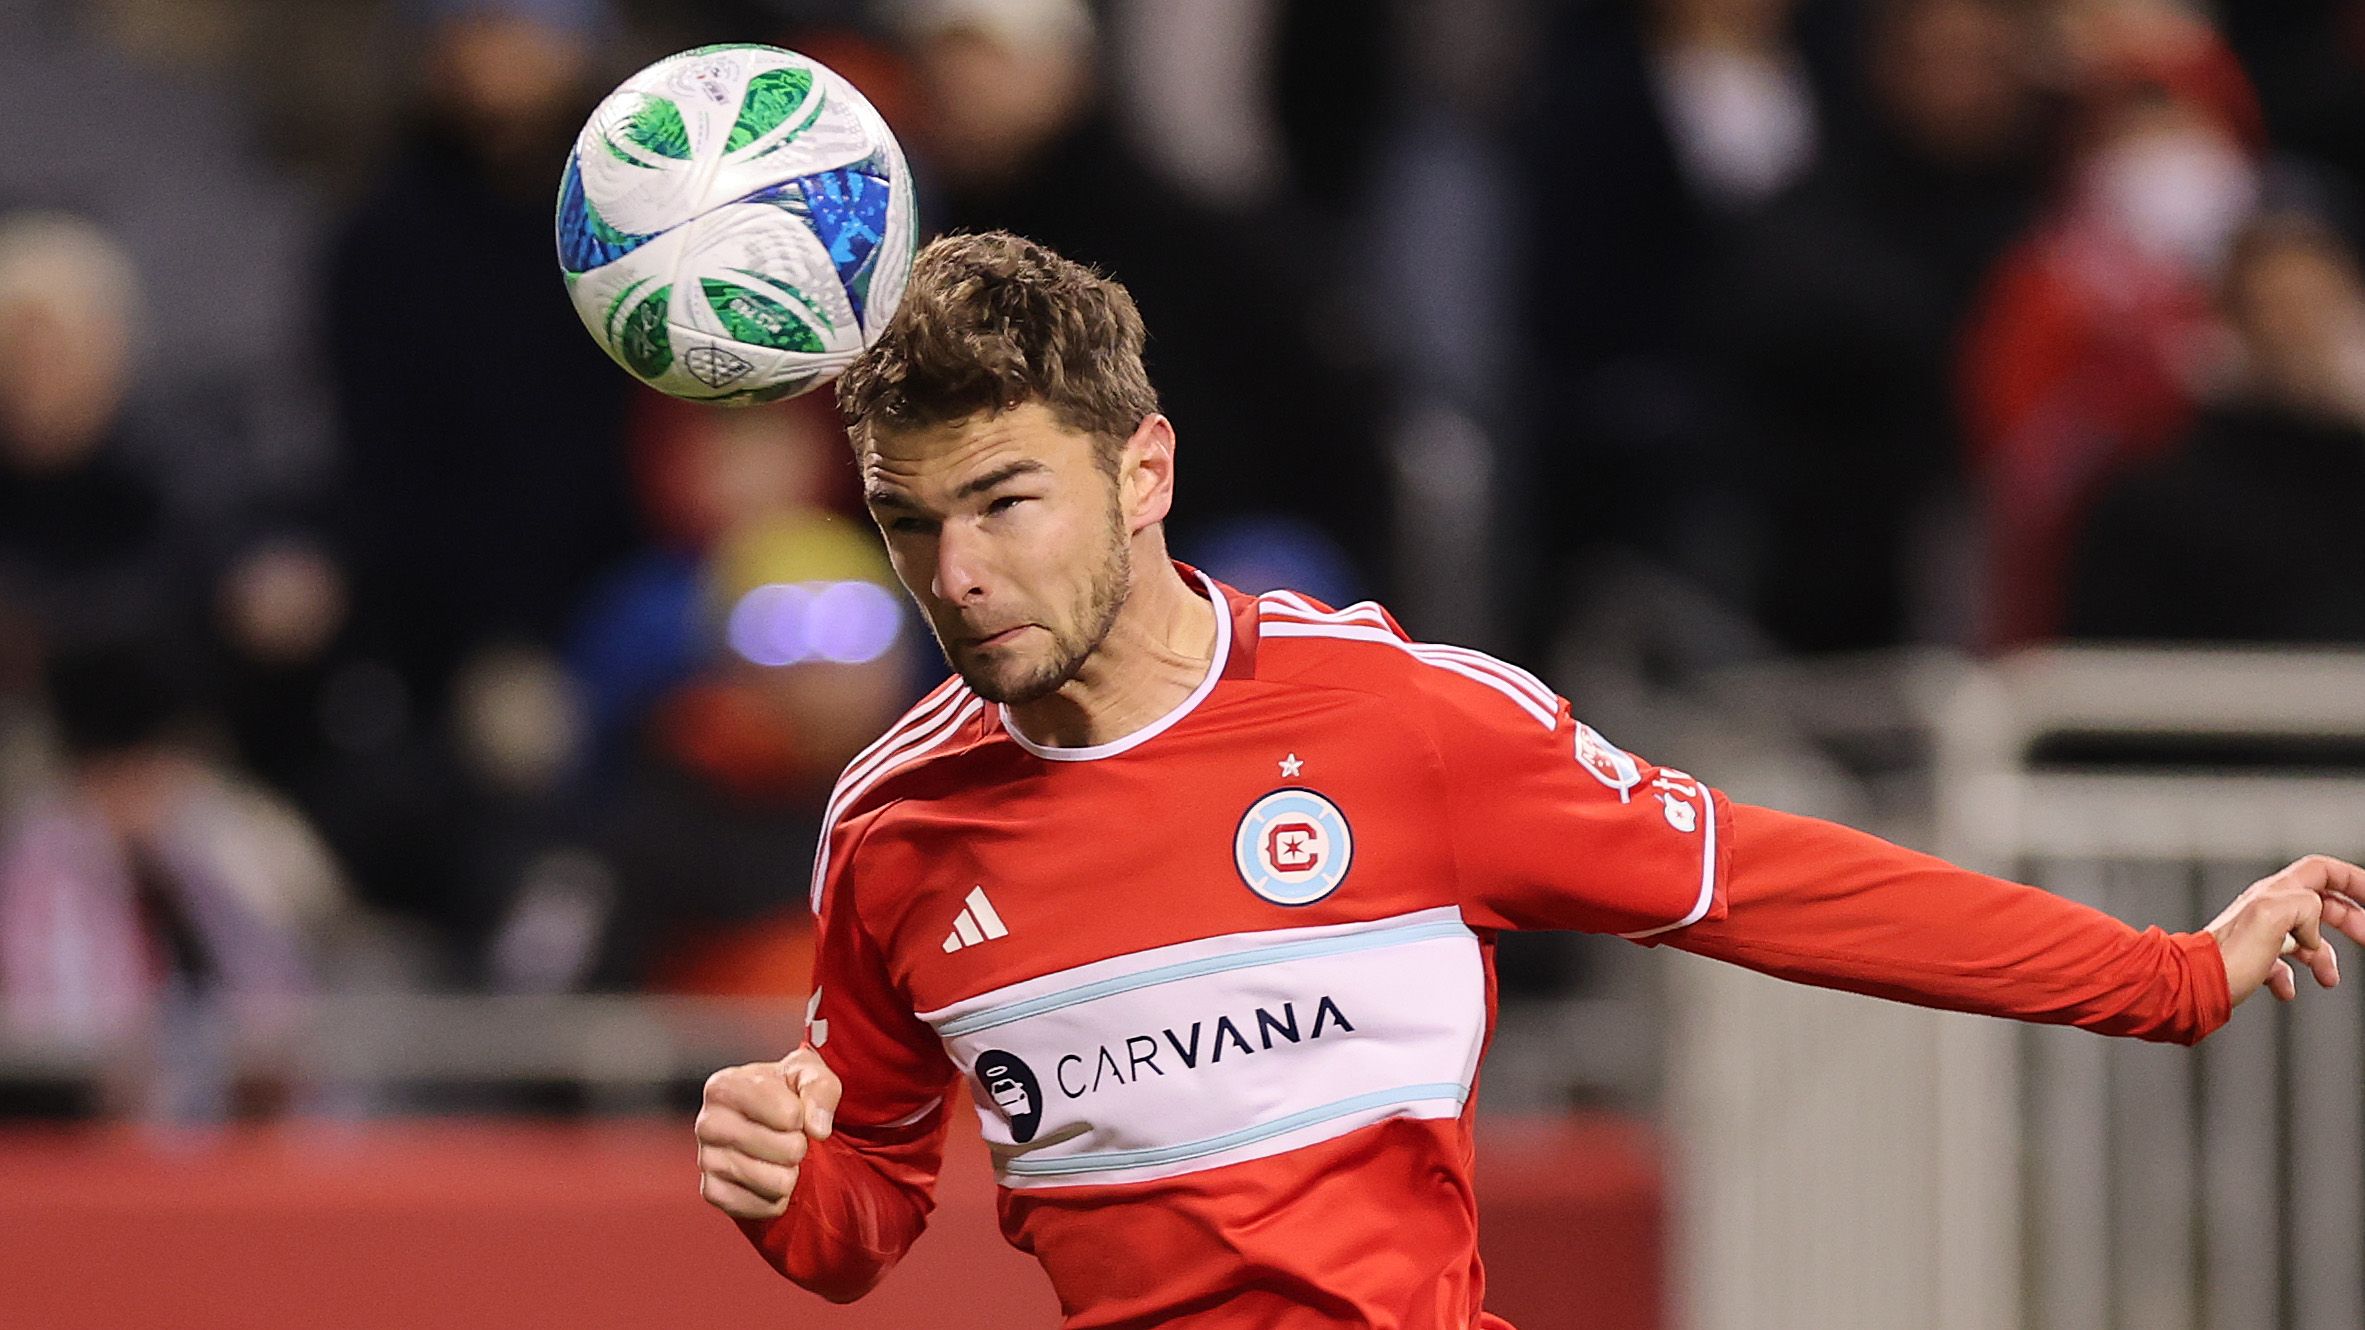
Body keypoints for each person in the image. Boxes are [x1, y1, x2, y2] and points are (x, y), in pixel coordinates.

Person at [692, 232, 2365, 1328]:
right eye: (909, 522)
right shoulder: (893, 830)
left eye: (1002, 502)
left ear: (1144, 471)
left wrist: (2162, 975)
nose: (954, 570)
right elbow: (865, 1212)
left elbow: (1768, 884)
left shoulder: (1401, 725)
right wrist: (789, 1178)